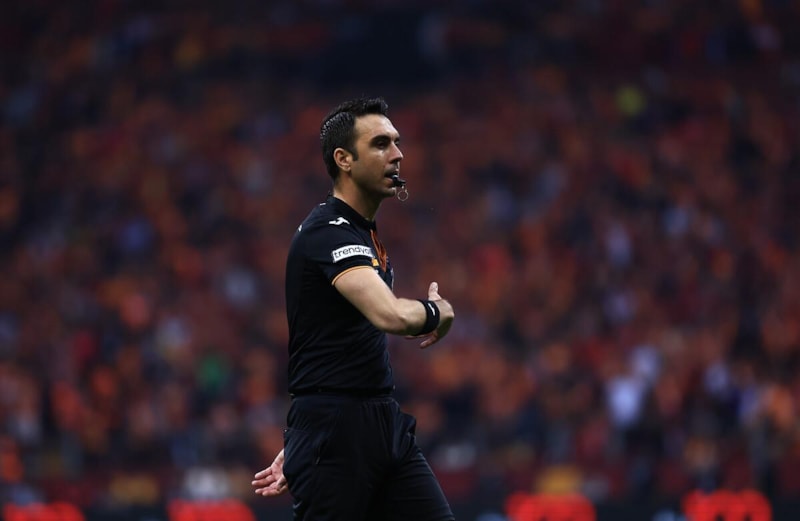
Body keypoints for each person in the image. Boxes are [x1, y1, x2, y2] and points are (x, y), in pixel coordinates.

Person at [251, 97, 456, 520]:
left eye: (396, 142)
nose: (397, 154)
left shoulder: (364, 234)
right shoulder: (328, 231)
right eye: (381, 144)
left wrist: (308, 436)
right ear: (344, 159)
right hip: (335, 432)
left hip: (376, 423)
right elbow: (390, 316)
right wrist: (438, 313)